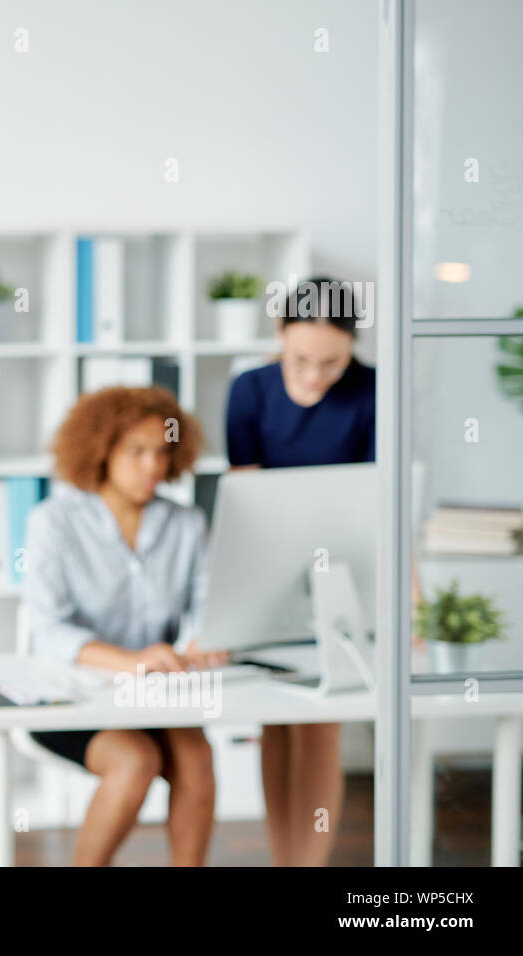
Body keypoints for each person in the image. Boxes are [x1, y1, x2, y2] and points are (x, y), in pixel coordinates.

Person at [23, 385, 226, 866]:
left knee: (197, 759)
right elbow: (49, 630)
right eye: (136, 451)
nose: (152, 465)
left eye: (161, 451)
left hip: (156, 695)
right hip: (75, 697)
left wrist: (205, 638)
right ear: (101, 451)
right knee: (136, 761)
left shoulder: (186, 524)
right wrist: (130, 661)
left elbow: (203, 606)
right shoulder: (53, 522)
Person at [224, 275, 375, 867]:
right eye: (302, 359)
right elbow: (248, 500)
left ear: (352, 348)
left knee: (321, 725)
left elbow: (381, 502)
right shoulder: (250, 391)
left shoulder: (372, 392)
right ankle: (282, 861)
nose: (315, 376)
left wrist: (406, 596)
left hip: (345, 575)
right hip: (268, 570)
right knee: (276, 722)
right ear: (280, 335)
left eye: (331, 363)